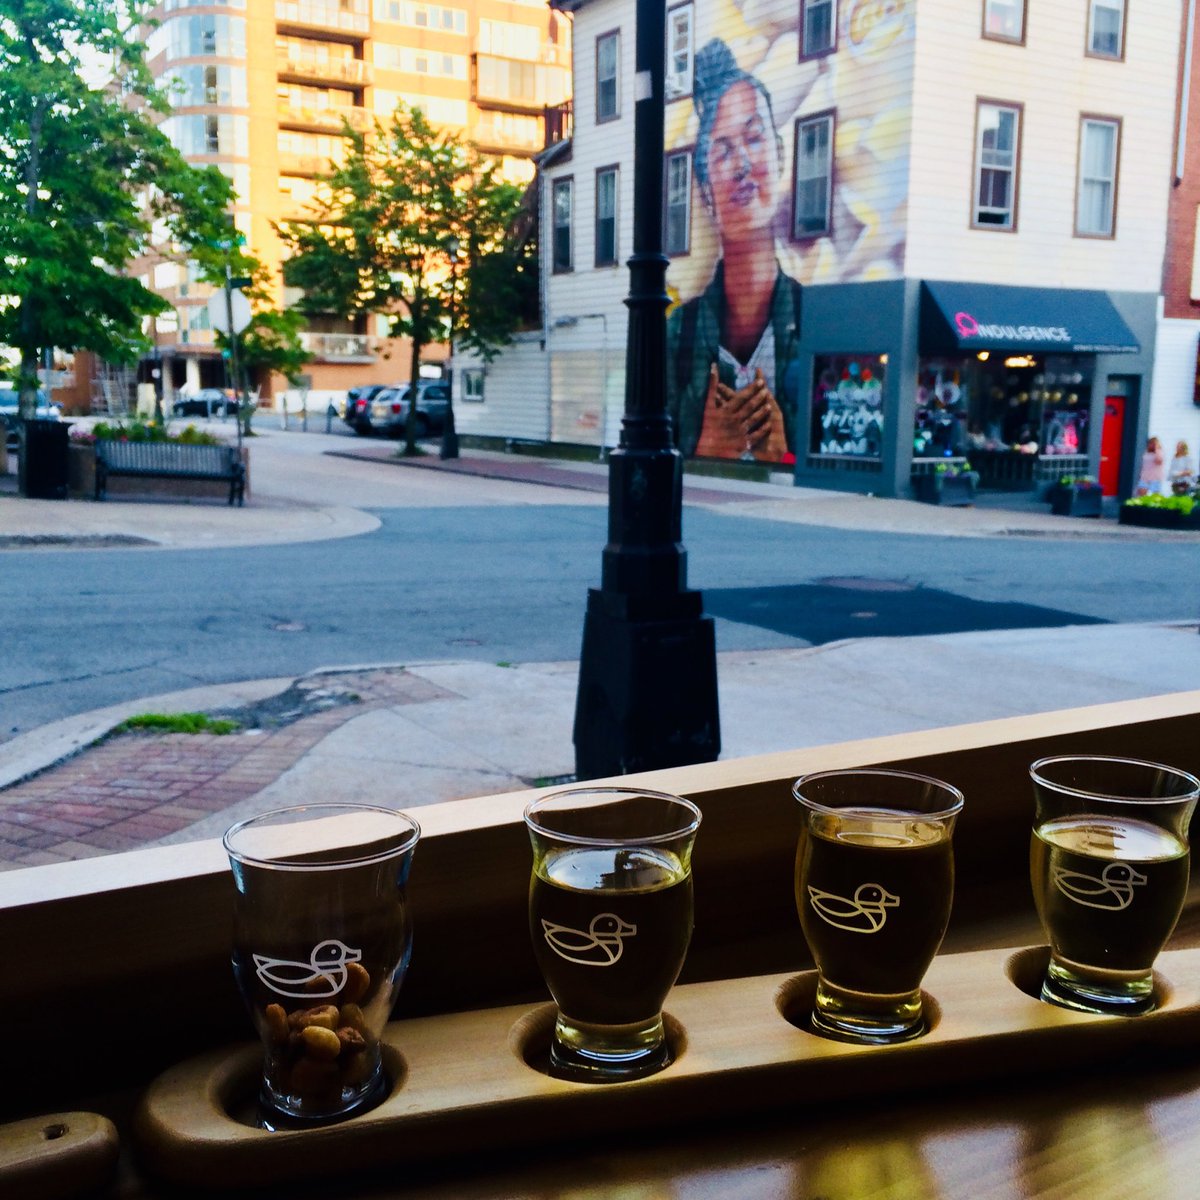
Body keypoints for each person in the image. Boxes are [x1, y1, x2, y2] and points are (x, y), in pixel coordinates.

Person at [666, 38, 799, 464]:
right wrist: (704, 449)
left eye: (754, 138)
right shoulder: (678, 333)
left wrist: (784, 456)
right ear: (704, 193)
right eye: (722, 151)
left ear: (779, 154)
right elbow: (652, 455)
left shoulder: (817, 319)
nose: (742, 162)